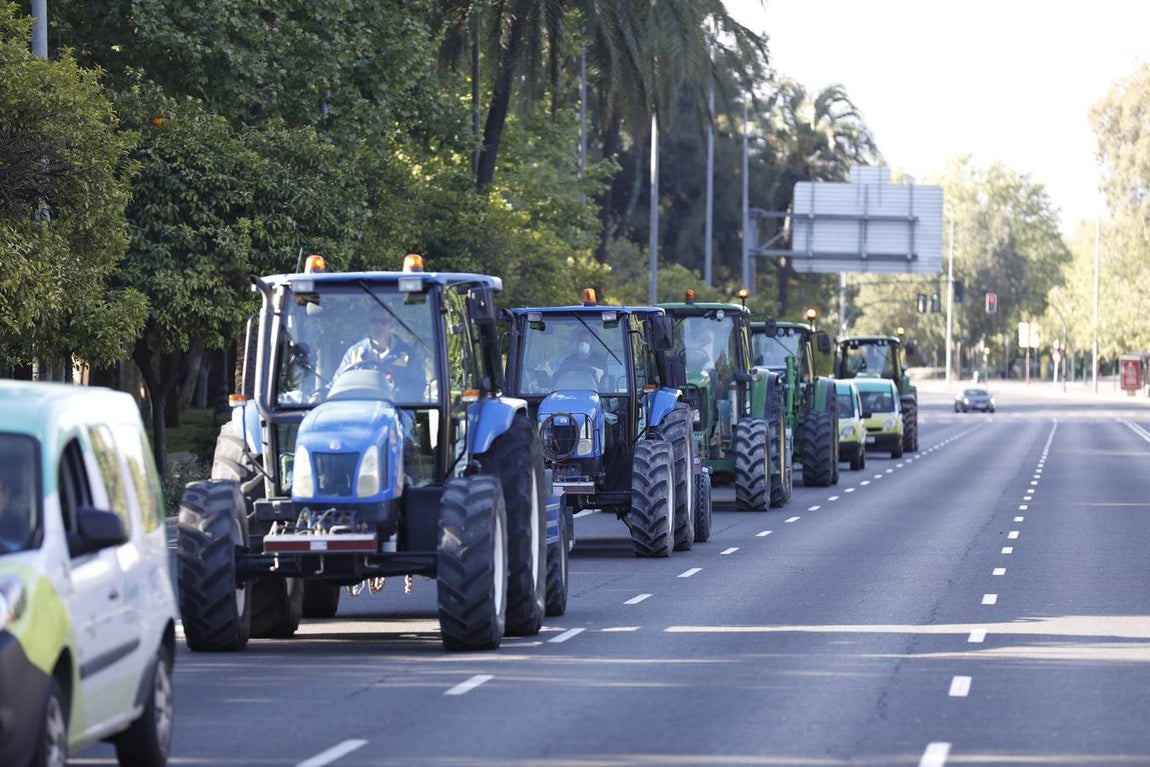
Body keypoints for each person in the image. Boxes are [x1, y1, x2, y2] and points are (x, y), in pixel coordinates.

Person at [334, 307, 426, 400]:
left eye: (383, 322)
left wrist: (394, 394)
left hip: (397, 409)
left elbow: (417, 385)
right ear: (369, 324)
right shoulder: (354, 352)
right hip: (361, 407)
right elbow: (337, 382)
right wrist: (321, 393)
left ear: (392, 324)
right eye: (374, 321)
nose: (378, 326)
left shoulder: (407, 354)